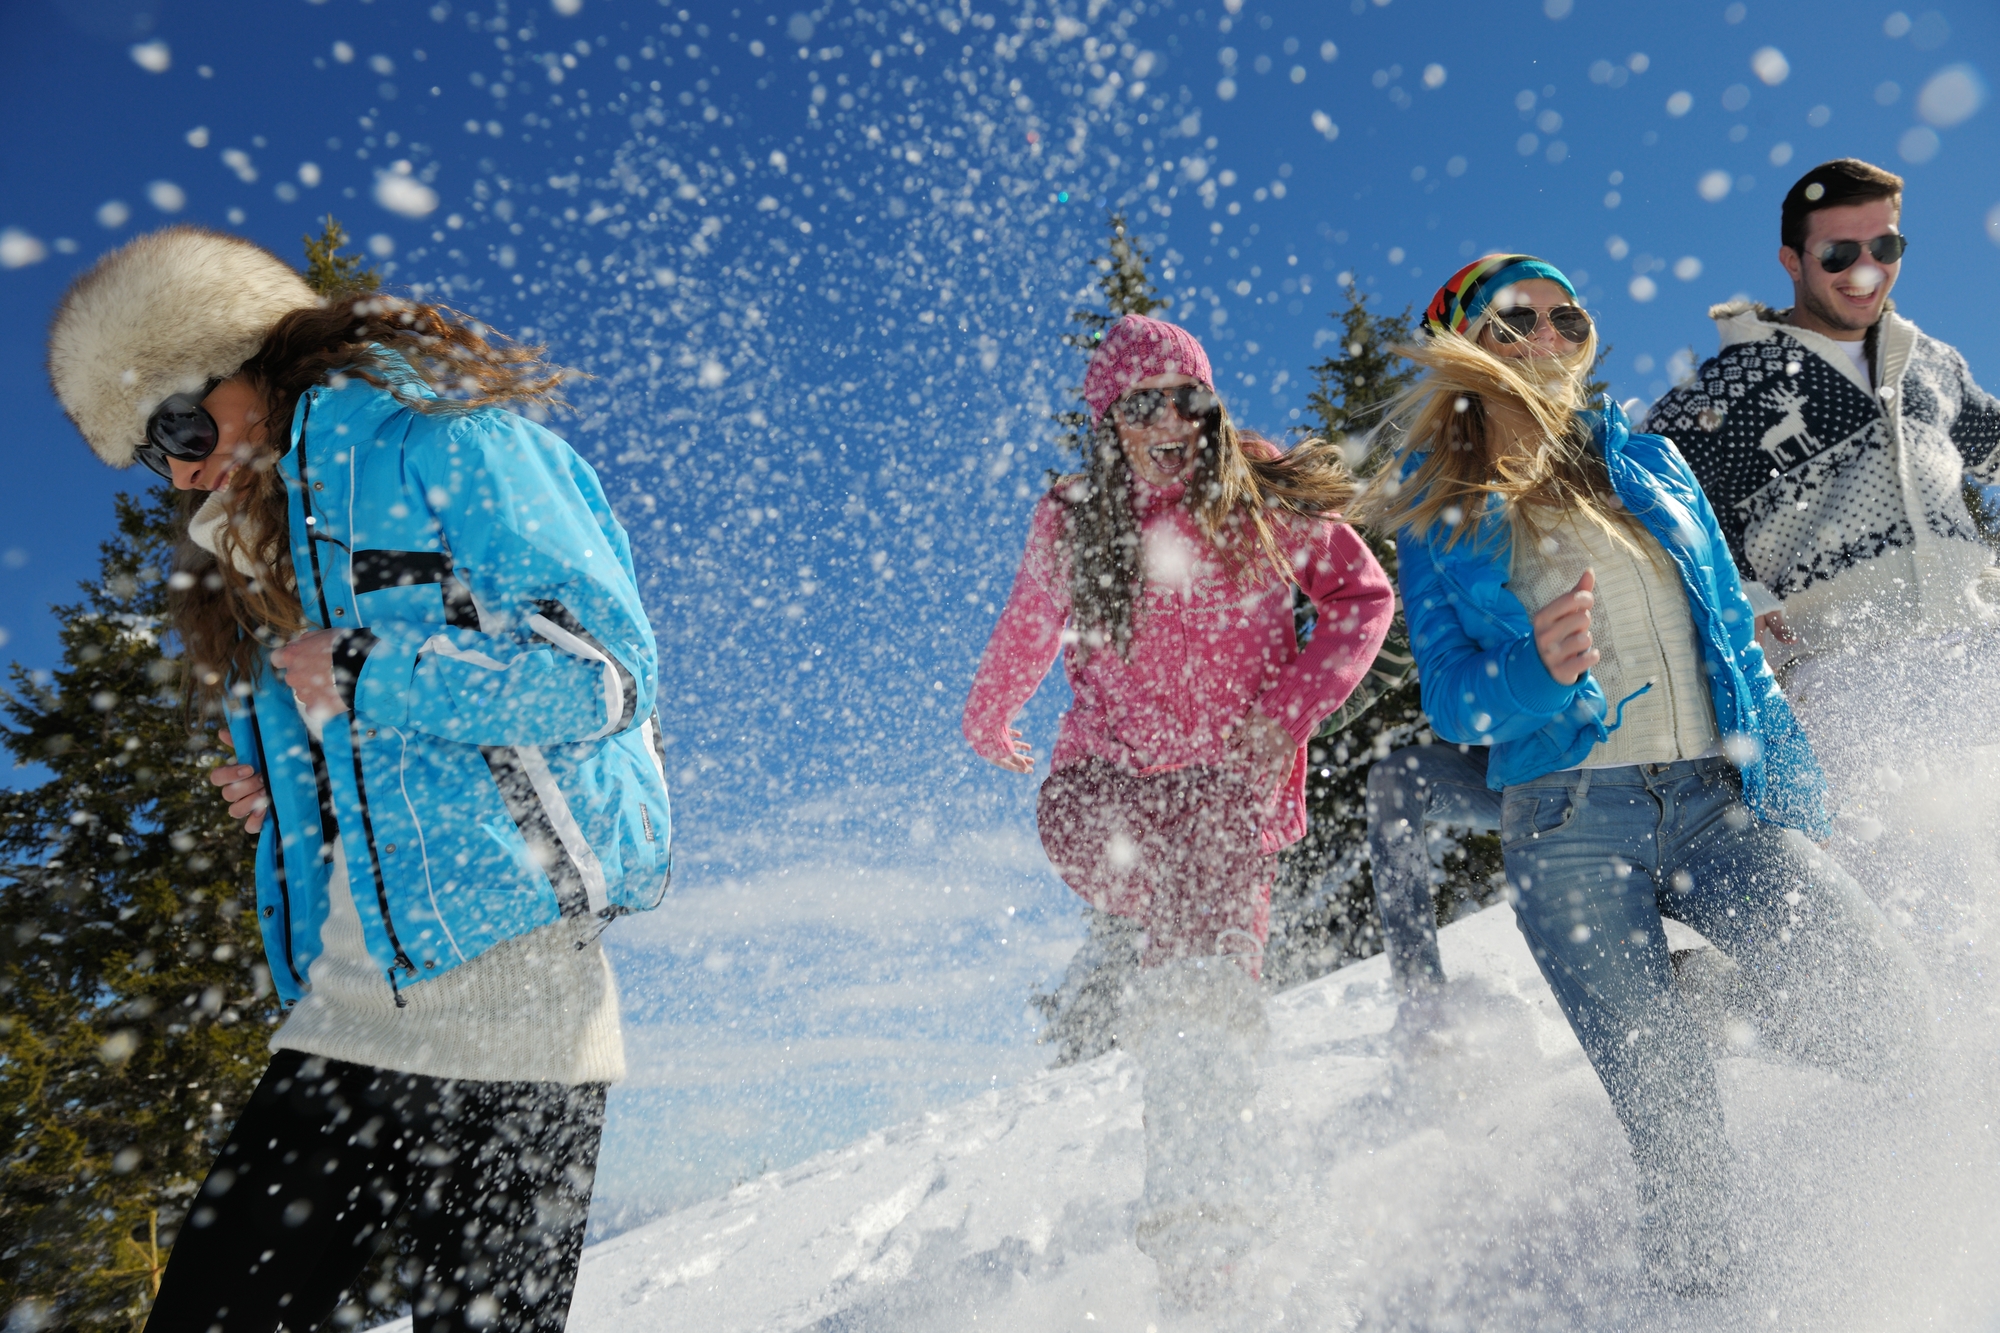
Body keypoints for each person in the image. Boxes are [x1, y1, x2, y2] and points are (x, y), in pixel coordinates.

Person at [46, 225, 674, 1332]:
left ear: (247, 363)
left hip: (515, 998)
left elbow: (602, 679)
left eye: (182, 426)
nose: (183, 468)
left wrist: (369, 672)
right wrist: (298, 800)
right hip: (348, 1003)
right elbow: (390, 768)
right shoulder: (267, 554)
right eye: (156, 456)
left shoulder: (454, 448)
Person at [1352, 255, 1929, 1293]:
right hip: (1567, 830)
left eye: (1565, 318)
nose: (1544, 335)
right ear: (1462, 345)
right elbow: (1449, 698)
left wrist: (1789, 783)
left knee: (1888, 1015)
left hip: (1713, 802)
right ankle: (1704, 1314)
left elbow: (1735, 644)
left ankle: (1715, 1002)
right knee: (1678, 1144)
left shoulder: (1651, 462)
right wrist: (1535, 670)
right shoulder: (1440, 505)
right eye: (1510, 318)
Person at [962, 314, 1393, 1307]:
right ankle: (1190, 972)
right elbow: (1028, 622)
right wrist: (989, 709)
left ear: (1212, 404)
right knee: (1184, 964)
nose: (1169, 420)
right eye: (1141, 402)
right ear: (1107, 418)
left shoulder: (1257, 495)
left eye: (1187, 398)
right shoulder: (1074, 517)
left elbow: (1360, 601)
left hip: (1219, 793)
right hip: (1100, 786)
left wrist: (1285, 712)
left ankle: (1206, 1252)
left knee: (1196, 1005)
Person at [1644, 158, 2000, 935]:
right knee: (1926, 912)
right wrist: (1755, 610)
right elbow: (1654, 518)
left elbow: (1995, 443)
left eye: (1887, 247)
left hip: (1978, 651)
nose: (1866, 271)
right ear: (1793, 260)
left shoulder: (1927, 360)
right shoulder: (1726, 391)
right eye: (1839, 253)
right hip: (1850, 681)